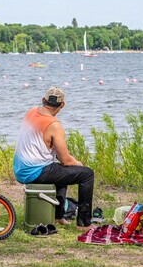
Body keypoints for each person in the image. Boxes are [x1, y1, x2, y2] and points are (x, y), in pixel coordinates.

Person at [13, 87, 94, 230]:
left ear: (43, 100)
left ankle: (58, 217)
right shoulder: (54, 125)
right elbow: (66, 160)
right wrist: (79, 164)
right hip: (35, 171)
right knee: (87, 174)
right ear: (62, 104)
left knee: (61, 172)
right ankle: (84, 223)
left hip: (20, 169)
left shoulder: (31, 112)